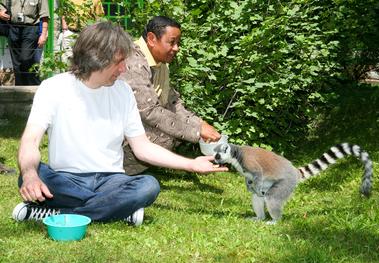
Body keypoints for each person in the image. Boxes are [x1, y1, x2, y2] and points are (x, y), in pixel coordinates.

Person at [11, 21, 227, 226]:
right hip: (66, 180)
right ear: (97, 59)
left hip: (112, 182)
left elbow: (142, 148)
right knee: (30, 173)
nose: (124, 69)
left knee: (148, 186)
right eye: (119, 62)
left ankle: (56, 214)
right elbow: (30, 140)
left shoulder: (123, 91)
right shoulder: (53, 88)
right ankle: (115, 209)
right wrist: (30, 175)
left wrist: (191, 164)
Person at [121, 16, 221, 175]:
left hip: (130, 128)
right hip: (113, 136)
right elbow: (149, 112)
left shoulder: (159, 63)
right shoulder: (133, 62)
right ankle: (120, 170)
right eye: (172, 42)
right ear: (152, 39)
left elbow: (172, 103)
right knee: (166, 136)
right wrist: (196, 132)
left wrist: (200, 124)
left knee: (170, 130)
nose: (177, 48)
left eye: (178, 43)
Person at [0, 0, 49, 85]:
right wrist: (0, 12)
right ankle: (20, 89)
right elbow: (1, 5)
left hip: (31, 29)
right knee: (16, 64)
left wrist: (43, 34)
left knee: (25, 59)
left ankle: (34, 85)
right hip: (13, 28)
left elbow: (45, 16)